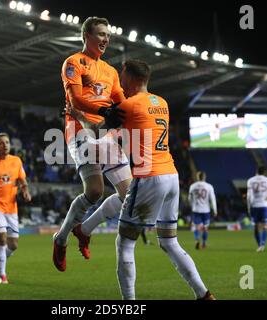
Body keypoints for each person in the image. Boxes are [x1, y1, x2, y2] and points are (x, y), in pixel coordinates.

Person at [70, 59, 214, 300]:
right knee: (170, 243)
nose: (120, 82)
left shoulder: (129, 105)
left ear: (132, 78)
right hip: (171, 176)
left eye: (123, 77)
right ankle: (204, 295)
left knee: (124, 243)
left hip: (149, 177)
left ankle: (130, 303)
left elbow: (96, 133)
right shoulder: (162, 103)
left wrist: (78, 115)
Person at [53, 16, 133, 272]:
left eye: (107, 35)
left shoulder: (110, 71)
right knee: (96, 190)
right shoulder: (74, 63)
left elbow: (122, 101)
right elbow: (76, 99)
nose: (106, 39)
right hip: (80, 129)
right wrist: (107, 110)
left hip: (105, 130)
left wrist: (141, 106)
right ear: (86, 35)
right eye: (100, 34)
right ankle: (61, 237)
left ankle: (84, 229)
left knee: (129, 196)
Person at [0, 133, 32, 284]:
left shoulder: (16, 161)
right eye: (1, 143)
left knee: (13, 245)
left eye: (7, 142)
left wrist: (25, 191)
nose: (5, 145)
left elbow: (22, 180)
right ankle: (2, 275)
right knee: (2, 240)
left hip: (11, 208)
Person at [188, 171, 217, 249]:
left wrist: (192, 206)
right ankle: (204, 243)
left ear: (197, 177)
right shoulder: (209, 186)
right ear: (204, 177)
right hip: (206, 210)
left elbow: (189, 199)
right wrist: (215, 210)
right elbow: (212, 199)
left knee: (196, 227)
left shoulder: (193, 186)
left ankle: (197, 240)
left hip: (196, 210)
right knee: (205, 227)